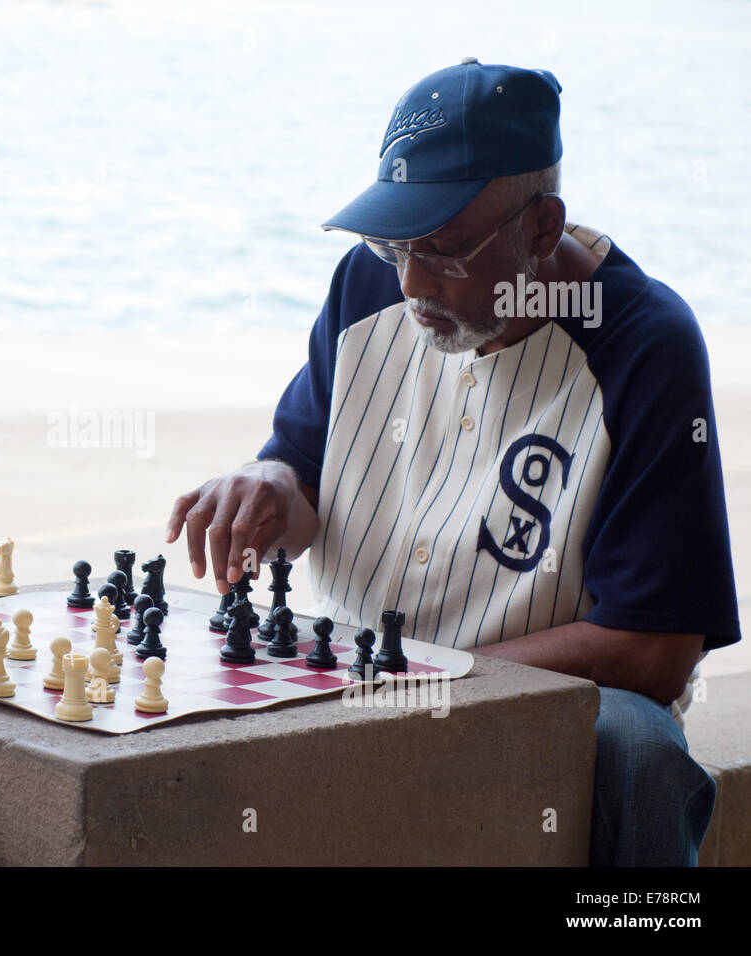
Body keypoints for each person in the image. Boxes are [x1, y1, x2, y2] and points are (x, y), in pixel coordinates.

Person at [166, 59, 740, 866]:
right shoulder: (367, 282)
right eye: (392, 241)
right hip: (356, 680)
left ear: (542, 228)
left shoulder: (646, 346)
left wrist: (425, 677)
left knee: (638, 748)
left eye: (444, 249)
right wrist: (266, 485)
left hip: (529, 703)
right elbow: (298, 486)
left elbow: (655, 649)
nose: (410, 282)